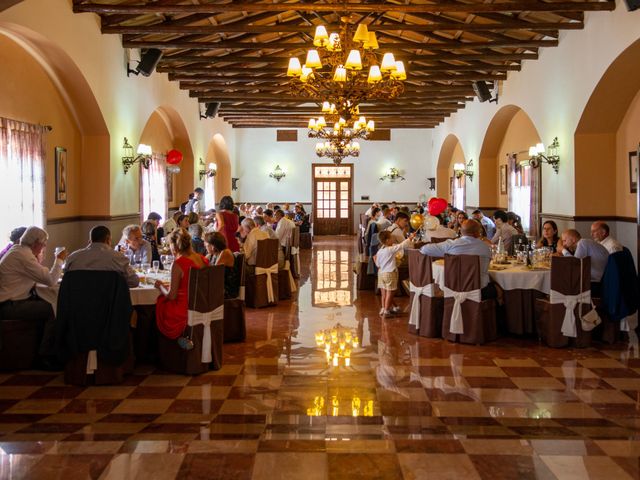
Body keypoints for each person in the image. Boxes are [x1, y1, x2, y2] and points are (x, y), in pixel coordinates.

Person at [0, 226, 67, 359]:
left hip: (11, 301)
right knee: (52, 309)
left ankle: (41, 350)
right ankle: (45, 355)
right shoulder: (23, 256)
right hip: (8, 305)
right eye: (43, 244)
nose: (43, 247)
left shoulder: (18, 251)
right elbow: (51, 280)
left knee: (47, 302)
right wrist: (59, 259)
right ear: (36, 243)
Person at [419, 219, 496, 299]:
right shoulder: (485, 248)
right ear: (478, 232)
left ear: (461, 232)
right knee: (498, 288)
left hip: (453, 290)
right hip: (479, 292)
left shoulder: (451, 245)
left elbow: (424, 249)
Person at [154, 228, 208, 340]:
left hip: (184, 310)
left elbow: (172, 295)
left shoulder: (179, 264)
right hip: (201, 304)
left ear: (173, 245)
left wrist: (161, 286)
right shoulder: (202, 258)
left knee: (159, 304)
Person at [65, 225, 139, 287]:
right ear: (108, 240)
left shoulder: (73, 257)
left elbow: (66, 279)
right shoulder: (118, 258)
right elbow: (134, 281)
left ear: (90, 241)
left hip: (79, 302)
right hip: (110, 302)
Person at [374, 230, 415, 317]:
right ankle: (387, 311)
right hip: (389, 273)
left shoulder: (380, 251)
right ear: (387, 240)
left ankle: (383, 308)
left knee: (384, 293)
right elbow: (401, 246)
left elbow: (378, 264)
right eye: (392, 237)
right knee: (390, 292)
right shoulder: (390, 250)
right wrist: (410, 238)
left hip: (381, 274)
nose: (393, 239)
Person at [557, 229, 609, 296]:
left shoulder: (583, 242)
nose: (564, 244)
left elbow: (575, 264)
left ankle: (566, 305)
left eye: (565, 241)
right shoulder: (586, 243)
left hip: (596, 284)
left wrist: (563, 250)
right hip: (601, 282)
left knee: (562, 282)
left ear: (573, 239)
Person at [205, 231, 239, 298]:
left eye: (206, 245)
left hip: (228, 290)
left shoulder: (225, 252)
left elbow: (214, 273)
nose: (205, 247)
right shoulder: (213, 255)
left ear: (212, 246)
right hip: (219, 287)